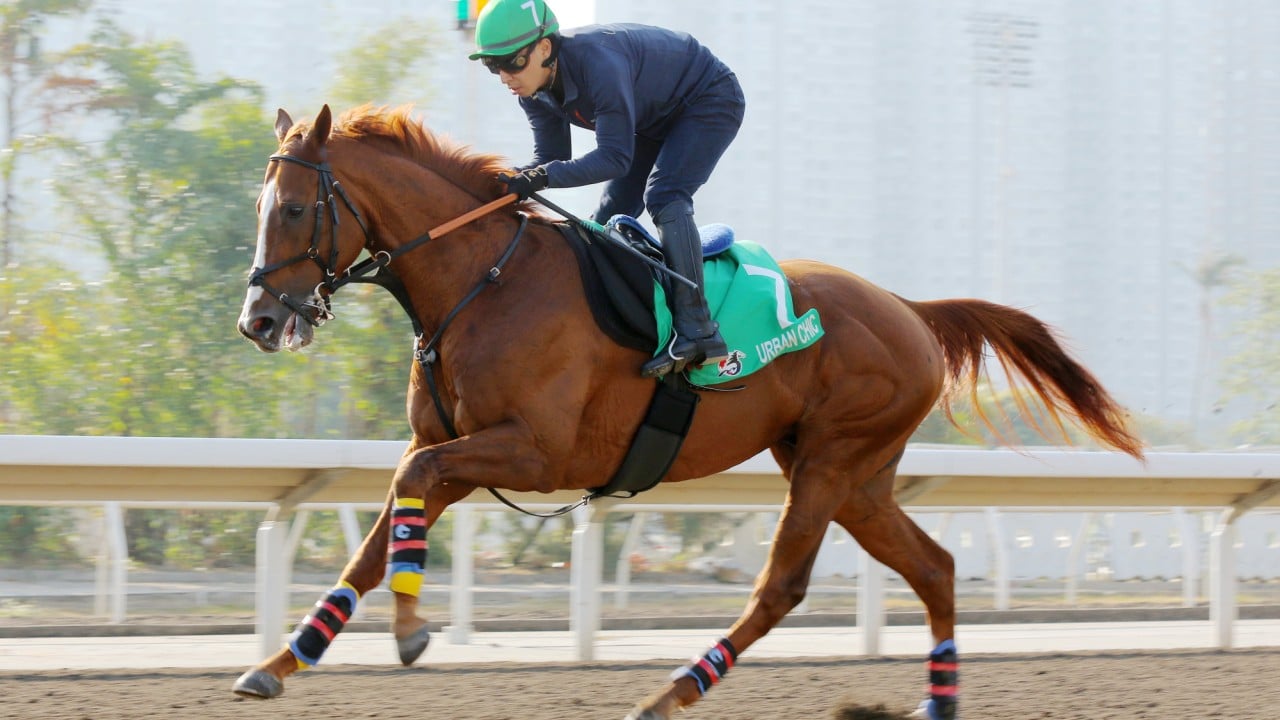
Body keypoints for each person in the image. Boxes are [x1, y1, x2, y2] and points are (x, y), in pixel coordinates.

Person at [469, 0, 745, 377]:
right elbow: (550, 157)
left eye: (511, 62)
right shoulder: (532, 91)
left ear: (545, 48)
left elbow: (615, 159)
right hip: (653, 117)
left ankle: (699, 330)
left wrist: (540, 178)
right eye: (492, 66)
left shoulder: (598, 63)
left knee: (663, 196)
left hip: (709, 97)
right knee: (604, 221)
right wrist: (507, 181)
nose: (504, 76)